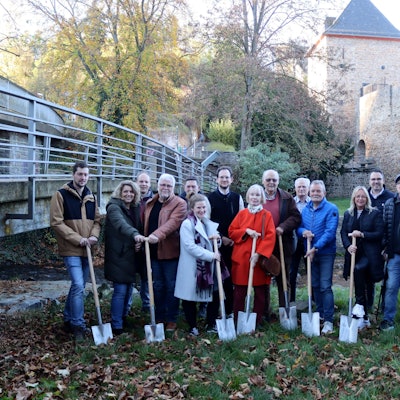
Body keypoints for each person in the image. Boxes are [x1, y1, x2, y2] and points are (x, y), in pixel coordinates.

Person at [50, 161, 102, 340]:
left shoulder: (90, 196)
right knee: (79, 285)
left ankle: (68, 318)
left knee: (77, 286)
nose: (83, 178)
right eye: (80, 174)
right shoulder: (61, 194)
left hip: (87, 248)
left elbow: (97, 220)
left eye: (86, 175)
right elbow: (56, 222)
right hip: (71, 248)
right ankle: (78, 325)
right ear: (74, 174)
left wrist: (94, 236)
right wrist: (77, 239)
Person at [141, 173, 187, 331]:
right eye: (163, 185)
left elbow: (173, 223)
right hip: (153, 252)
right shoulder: (150, 202)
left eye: (169, 186)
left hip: (170, 252)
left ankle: (172, 318)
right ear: (158, 185)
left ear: (174, 188)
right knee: (158, 286)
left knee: (171, 286)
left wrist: (157, 235)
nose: (165, 188)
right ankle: (159, 317)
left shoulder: (179, 204)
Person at [174, 194, 222, 336]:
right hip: (193, 266)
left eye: (204, 207)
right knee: (189, 298)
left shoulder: (208, 222)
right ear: (192, 208)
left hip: (208, 267)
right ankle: (192, 326)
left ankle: (210, 323)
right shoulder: (187, 224)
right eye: (199, 207)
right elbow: (190, 246)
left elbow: (215, 242)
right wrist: (211, 255)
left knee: (215, 294)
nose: (202, 210)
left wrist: (217, 240)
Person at [229, 184, 276, 326]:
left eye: (257, 195)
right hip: (242, 259)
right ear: (248, 197)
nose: (254, 197)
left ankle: (255, 320)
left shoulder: (266, 215)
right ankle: (238, 319)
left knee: (260, 292)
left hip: (258, 259)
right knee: (239, 292)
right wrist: (246, 231)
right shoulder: (242, 214)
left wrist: (259, 254)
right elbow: (232, 231)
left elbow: (270, 236)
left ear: (261, 197)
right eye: (252, 194)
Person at [297, 180, 339, 334]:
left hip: (325, 253)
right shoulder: (306, 209)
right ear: (309, 192)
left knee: (325, 285)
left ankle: (328, 320)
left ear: (324, 193)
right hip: (310, 252)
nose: (315, 193)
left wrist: (315, 247)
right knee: (314, 285)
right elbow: (299, 227)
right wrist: (303, 232)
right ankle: (320, 314)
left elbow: (330, 232)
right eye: (312, 191)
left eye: (318, 191)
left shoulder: (331, 209)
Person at [104, 180, 145, 335]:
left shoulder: (134, 208)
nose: (128, 194)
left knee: (128, 289)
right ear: (120, 193)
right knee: (120, 290)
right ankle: (116, 325)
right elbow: (120, 224)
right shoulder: (114, 207)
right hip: (118, 255)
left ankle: (122, 318)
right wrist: (135, 235)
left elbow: (139, 228)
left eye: (131, 192)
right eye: (125, 192)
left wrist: (139, 242)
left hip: (130, 255)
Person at [340, 186, 384, 330]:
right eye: (358, 196)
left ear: (367, 199)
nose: (360, 199)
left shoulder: (374, 213)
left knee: (358, 271)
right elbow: (343, 232)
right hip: (354, 253)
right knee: (359, 282)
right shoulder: (348, 214)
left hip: (368, 254)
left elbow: (379, 233)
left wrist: (363, 234)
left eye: (363, 196)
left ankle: (359, 306)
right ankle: (364, 317)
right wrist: (348, 246)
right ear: (354, 198)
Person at [261, 169, 301, 321]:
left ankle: (284, 311)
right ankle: (266, 312)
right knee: (263, 279)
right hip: (263, 244)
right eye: (268, 180)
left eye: (274, 180)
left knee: (283, 278)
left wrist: (283, 227)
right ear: (263, 181)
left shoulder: (286, 197)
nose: (271, 182)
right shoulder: (257, 196)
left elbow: (296, 217)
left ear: (278, 181)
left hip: (282, 243)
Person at [208, 166, 245, 328]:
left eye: (227, 177)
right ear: (217, 179)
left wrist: (235, 238)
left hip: (235, 245)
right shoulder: (209, 198)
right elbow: (207, 222)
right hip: (216, 246)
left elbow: (243, 221)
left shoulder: (237, 198)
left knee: (231, 280)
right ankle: (213, 316)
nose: (224, 180)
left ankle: (230, 312)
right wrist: (222, 239)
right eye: (221, 177)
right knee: (217, 281)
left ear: (231, 180)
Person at [367, 169, 394, 313]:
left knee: (387, 278)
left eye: (378, 179)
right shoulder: (364, 196)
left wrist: (388, 247)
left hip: (386, 245)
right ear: (369, 181)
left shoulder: (391, 197)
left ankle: (384, 308)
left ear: (383, 181)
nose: (376, 182)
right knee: (369, 276)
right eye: (373, 179)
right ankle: (368, 305)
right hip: (369, 245)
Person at [380, 174, 400, 331]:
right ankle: (388, 320)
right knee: (391, 286)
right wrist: (385, 248)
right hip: (395, 255)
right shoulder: (390, 204)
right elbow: (385, 228)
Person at [289, 177, 311, 302]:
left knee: (311, 271)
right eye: (299, 187)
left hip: (309, 240)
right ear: (295, 188)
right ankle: (291, 299)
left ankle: (312, 299)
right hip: (294, 240)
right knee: (292, 271)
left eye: (304, 187)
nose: (301, 189)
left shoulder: (313, 202)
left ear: (308, 188)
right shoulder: (291, 203)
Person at [136, 171, 153, 313]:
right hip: (134, 240)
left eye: (146, 182)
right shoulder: (131, 199)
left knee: (147, 275)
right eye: (141, 181)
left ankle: (147, 304)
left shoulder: (154, 200)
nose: (143, 184)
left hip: (149, 241)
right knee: (130, 274)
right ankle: (128, 305)